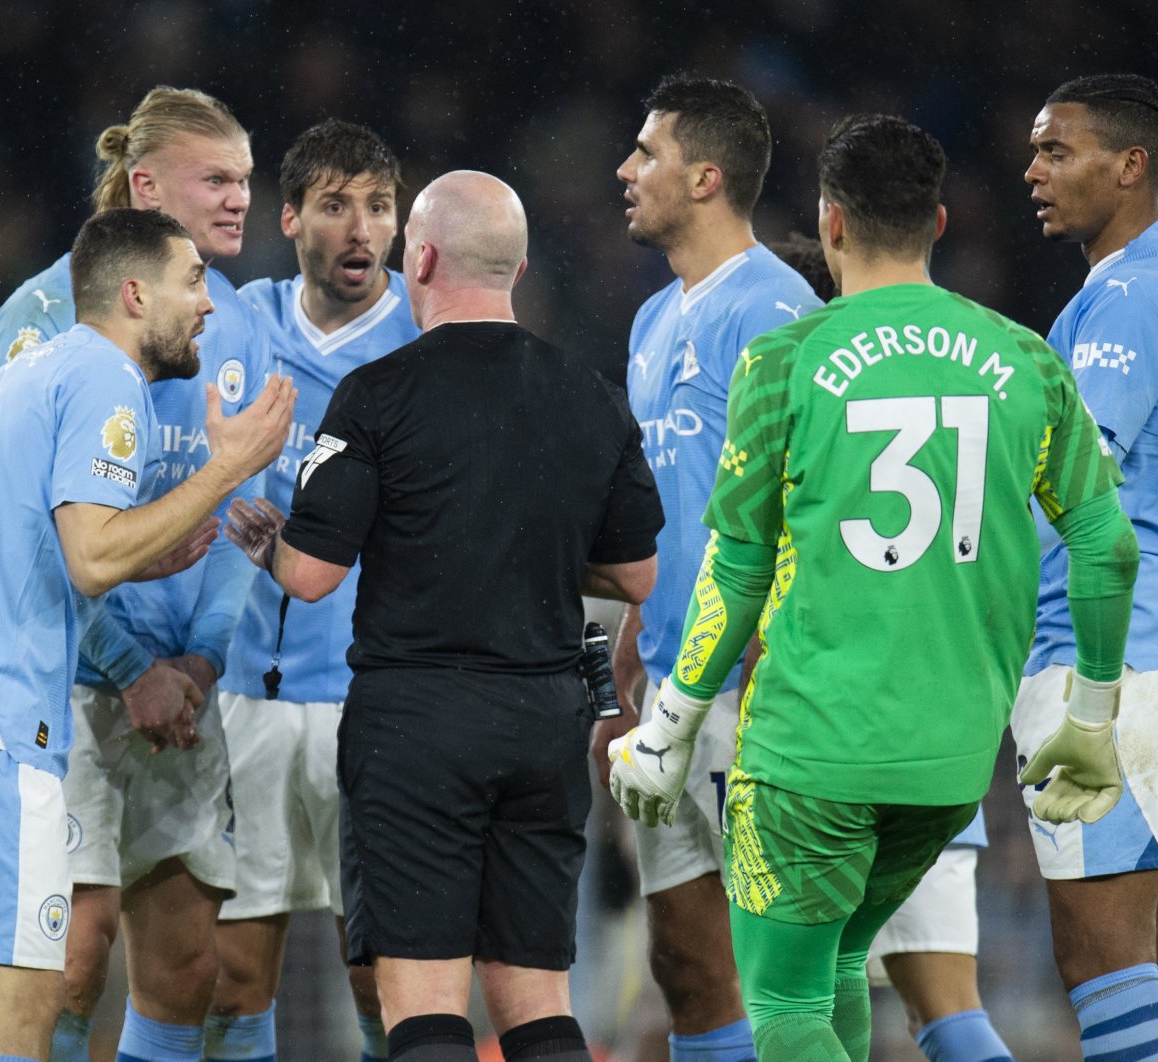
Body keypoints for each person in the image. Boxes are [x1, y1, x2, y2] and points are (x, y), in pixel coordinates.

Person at [608, 114, 1139, 1061]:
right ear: (937, 223)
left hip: (813, 752)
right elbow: (1104, 545)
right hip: (945, 764)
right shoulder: (1024, 361)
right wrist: (1091, 718)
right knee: (842, 964)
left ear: (832, 225)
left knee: (784, 1008)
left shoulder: (785, 360)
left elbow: (736, 568)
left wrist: (670, 724)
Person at [0, 85, 281, 1062]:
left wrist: (202, 656)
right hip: (21, 703)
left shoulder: (193, 329)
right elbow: (85, 552)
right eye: (214, 178)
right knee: (33, 992)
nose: (237, 202)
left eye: (247, 181)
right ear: (144, 188)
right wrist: (134, 665)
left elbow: (219, 521)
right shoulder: (70, 339)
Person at [224, 170, 663, 1062]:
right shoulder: (590, 397)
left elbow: (310, 575)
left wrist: (266, 542)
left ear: (418, 257)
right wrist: (515, 543)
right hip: (545, 723)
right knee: (537, 1001)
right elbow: (638, 571)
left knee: (424, 1003)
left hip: (417, 726)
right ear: (519, 265)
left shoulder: (375, 395)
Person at [594, 74, 817, 1062]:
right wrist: (637, 631)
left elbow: (813, 493)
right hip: (671, 680)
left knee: (778, 971)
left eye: (646, 153)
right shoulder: (651, 325)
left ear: (708, 176)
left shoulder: (777, 307)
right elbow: (669, 502)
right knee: (684, 962)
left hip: (754, 687)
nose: (625, 169)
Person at [1019, 73, 1158, 1061]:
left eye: (1058, 151)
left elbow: (1077, 483)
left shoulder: (1128, 296)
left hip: (1110, 650)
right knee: (1152, 958)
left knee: (1101, 960)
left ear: (1130, 164)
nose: (1034, 171)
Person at [763, 234, 1015, 1062]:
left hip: (839, 757)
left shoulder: (814, 419)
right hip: (943, 760)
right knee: (948, 1015)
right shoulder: (961, 390)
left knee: (786, 996)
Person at [206, 118, 419, 1062]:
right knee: (231, 976)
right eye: (337, 205)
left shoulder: (429, 336)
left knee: (379, 973)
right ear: (290, 218)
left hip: (373, 705)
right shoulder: (241, 320)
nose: (361, 228)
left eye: (379, 206)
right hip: (246, 698)